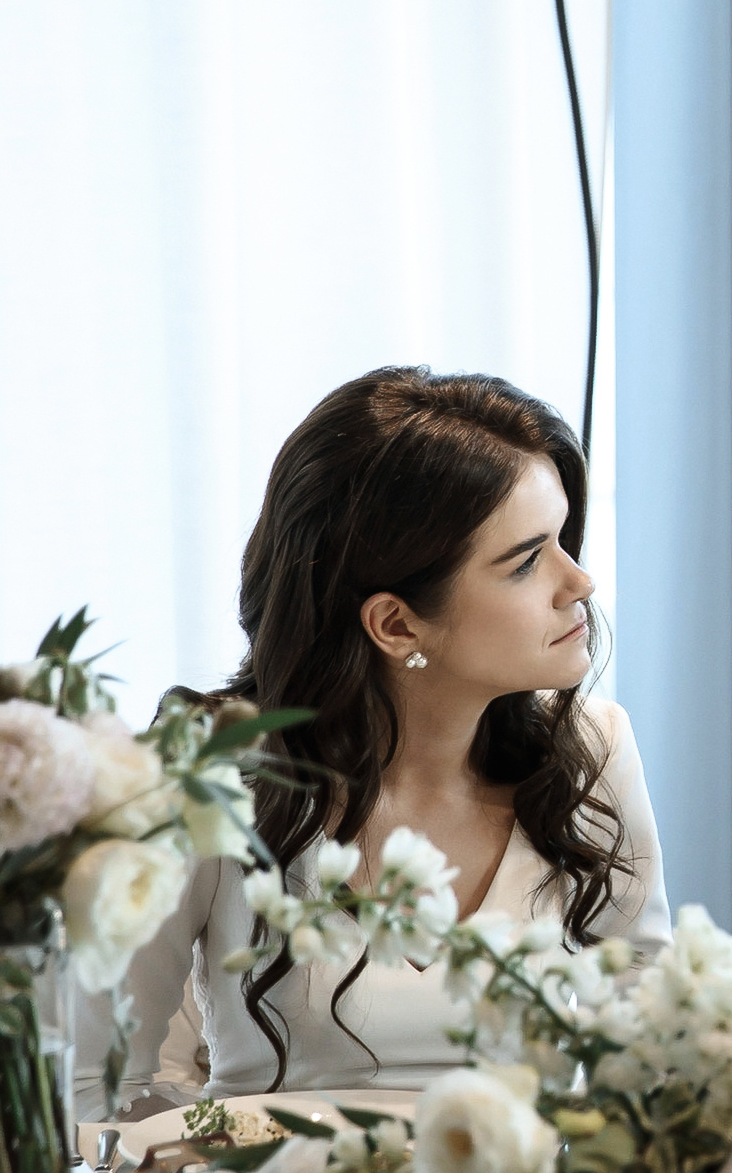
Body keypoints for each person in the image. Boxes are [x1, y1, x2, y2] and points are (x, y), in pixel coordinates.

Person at [113, 368, 669, 1111]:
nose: (580, 582)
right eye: (528, 560)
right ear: (397, 623)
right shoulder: (208, 770)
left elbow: (655, 1055)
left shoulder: (591, 748)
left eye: (564, 539)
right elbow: (100, 1083)